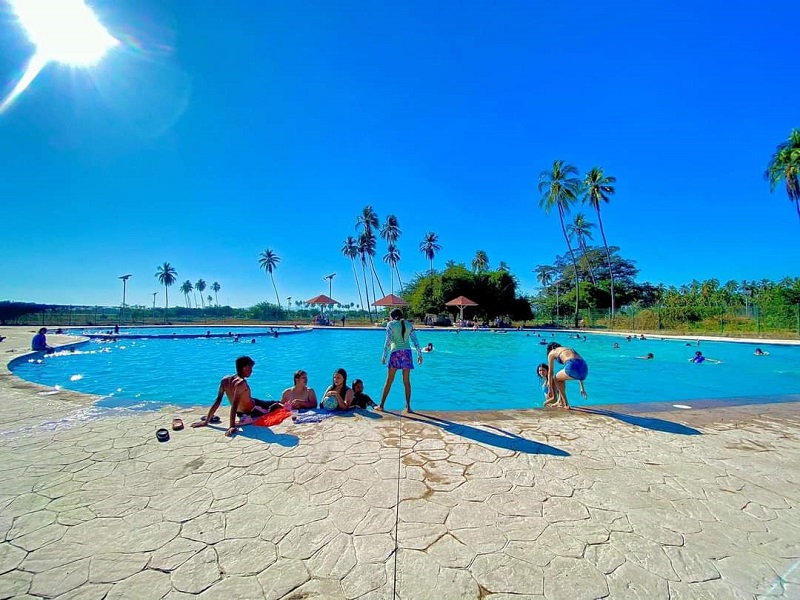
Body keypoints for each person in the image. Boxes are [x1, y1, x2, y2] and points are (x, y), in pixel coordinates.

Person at [191, 356, 280, 436]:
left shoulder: (225, 380)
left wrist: (206, 421)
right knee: (275, 405)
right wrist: (232, 426)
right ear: (245, 367)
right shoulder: (241, 383)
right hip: (254, 409)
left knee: (272, 402)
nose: (252, 371)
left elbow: (218, 400)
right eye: (250, 368)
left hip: (246, 407)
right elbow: (235, 404)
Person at [378, 309, 423, 413]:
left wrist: (384, 355)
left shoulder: (390, 324)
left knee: (389, 380)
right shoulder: (409, 325)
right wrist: (419, 354)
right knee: (406, 382)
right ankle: (408, 407)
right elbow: (415, 341)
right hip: (407, 354)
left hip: (396, 354)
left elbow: (388, 341)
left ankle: (381, 405)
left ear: (392, 317)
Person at [545, 342, 588, 409]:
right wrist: (582, 388)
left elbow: (550, 372)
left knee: (556, 378)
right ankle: (560, 401)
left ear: (551, 348)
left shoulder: (552, 352)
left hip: (572, 365)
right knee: (560, 378)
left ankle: (566, 404)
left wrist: (550, 388)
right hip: (585, 368)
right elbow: (579, 364)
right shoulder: (569, 349)